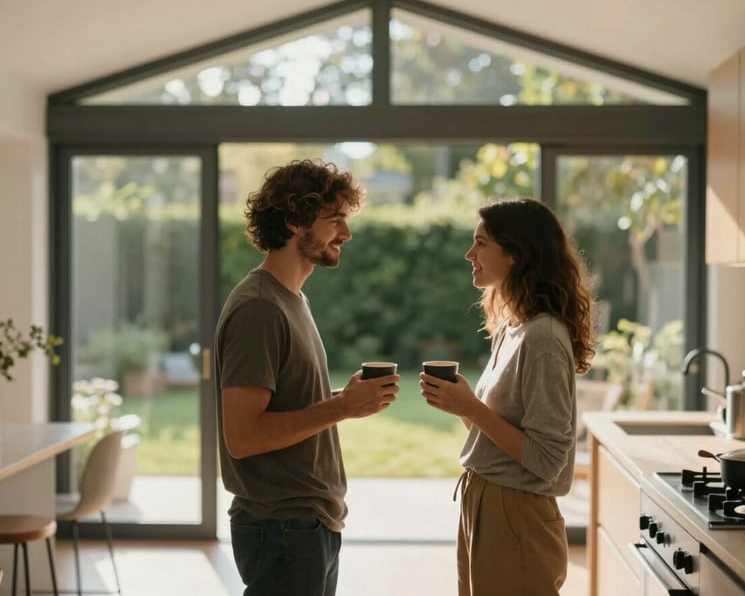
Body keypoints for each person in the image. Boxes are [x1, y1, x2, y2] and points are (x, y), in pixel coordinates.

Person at [214, 158, 400, 596]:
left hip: (306, 524)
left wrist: (347, 401)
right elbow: (242, 436)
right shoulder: (259, 309)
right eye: (335, 220)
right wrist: (340, 406)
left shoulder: (292, 299)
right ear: (296, 221)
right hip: (282, 527)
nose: (347, 234)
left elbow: (286, 406)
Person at [420, 197, 595, 596]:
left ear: (515, 254)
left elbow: (547, 461)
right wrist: (461, 406)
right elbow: (500, 433)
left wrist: (472, 409)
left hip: (516, 514)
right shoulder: (512, 327)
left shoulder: (544, 339)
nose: (470, 254)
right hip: (485, 503)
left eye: (481, 243)